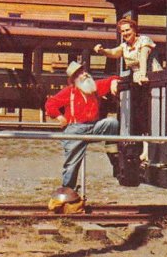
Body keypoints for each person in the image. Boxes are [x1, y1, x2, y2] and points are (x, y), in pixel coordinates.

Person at [45, 61, 119, 189]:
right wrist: (59, 116)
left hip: (94, 126)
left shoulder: (94, 87)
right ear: (73, 79)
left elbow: (113, 78)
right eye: (80, 73)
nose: (84, 74)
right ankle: (67, 190)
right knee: (72, 164)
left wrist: (114, 81)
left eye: (84, 71)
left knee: (112, 123)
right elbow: (50, 104)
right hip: (75, 130)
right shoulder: (69, 91)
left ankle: (114, 158)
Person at [93, 18, 161, 84]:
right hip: (138, 80)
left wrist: (143, 76)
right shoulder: (124, 46)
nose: (125, 33)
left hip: (153, 78)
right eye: (123, 31)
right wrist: (102, 51)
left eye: (127, 30)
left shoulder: (144, 40)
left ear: (134, 30)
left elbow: (143, 58)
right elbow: (113, 52)